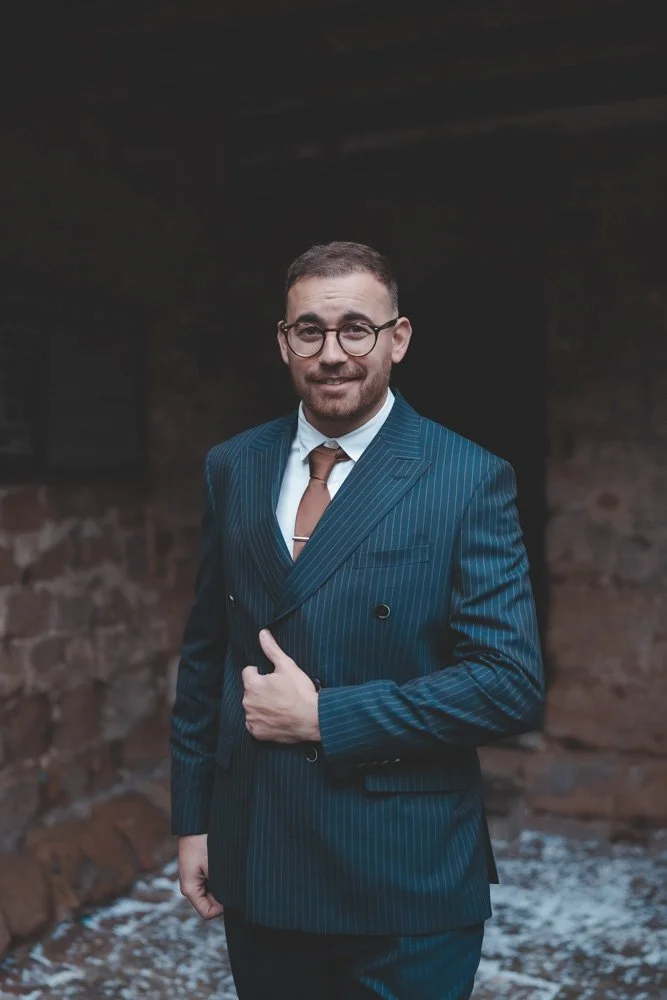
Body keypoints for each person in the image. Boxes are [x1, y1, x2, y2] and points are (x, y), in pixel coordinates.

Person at [170, 241, 545, 1000]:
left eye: (355, 329)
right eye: (309, 330)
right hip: (262, 852)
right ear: (283, 342)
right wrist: (193, 818)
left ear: (396, 339)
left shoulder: (466, 477)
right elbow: (208, 652)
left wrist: (326, 718)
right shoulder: (233, 465)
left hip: (401, 875)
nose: (331, 353)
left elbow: (508, 685)